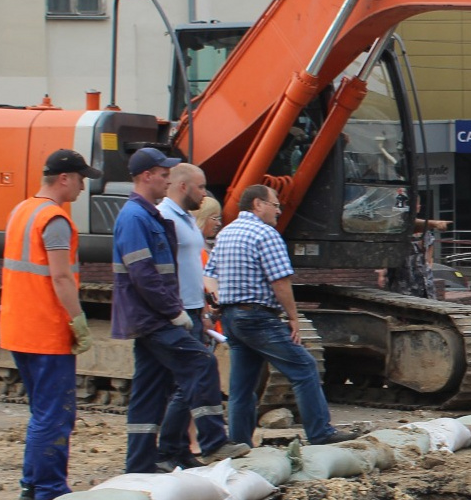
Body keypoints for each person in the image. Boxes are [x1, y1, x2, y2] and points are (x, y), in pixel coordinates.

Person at [112, 147, 245, 473]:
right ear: (146, 176)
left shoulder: (149, 215)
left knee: (150, 391)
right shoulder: (135, 217)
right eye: (162, 173)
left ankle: (143, 462)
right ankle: (213, 441)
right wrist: (173, 312)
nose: (167, 179)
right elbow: (143, 273)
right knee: (200, 362)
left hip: (153, 316)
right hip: (153, 317)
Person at [210, 183, 353, 447]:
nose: (278, 211)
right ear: (258, 204)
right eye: (275, 205)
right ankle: (320, 432)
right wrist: (293, 317)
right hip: (257, 316)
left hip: (232, 317)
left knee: (242, 386)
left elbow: (210, 275)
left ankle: (239, 442)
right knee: (304, 368)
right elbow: (280, 281)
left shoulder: (226, 233)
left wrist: (218, 302)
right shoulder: (266, 234)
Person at [0, 148, 99, 500]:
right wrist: (79, 321)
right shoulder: (54, 219)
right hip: (46, 330)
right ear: (64, 179)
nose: (83, 188)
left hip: (18, 327)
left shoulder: (21, 211)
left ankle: (32, 486)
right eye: (81, 179)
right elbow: (60, 277)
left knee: (42, 412)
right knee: (56, 415)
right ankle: (50, 490)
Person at [157, 163, 220, 468]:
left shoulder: (184, 218)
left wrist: (205, 304)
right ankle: (173, 448)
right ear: (183, 186)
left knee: (189, 382)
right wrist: (176, 308)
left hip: (194, 308)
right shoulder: (166, 216)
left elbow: (193, 264)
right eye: (200, 186)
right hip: (180, 310)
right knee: (190, 379)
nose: (204, 192)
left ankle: (178, 449)